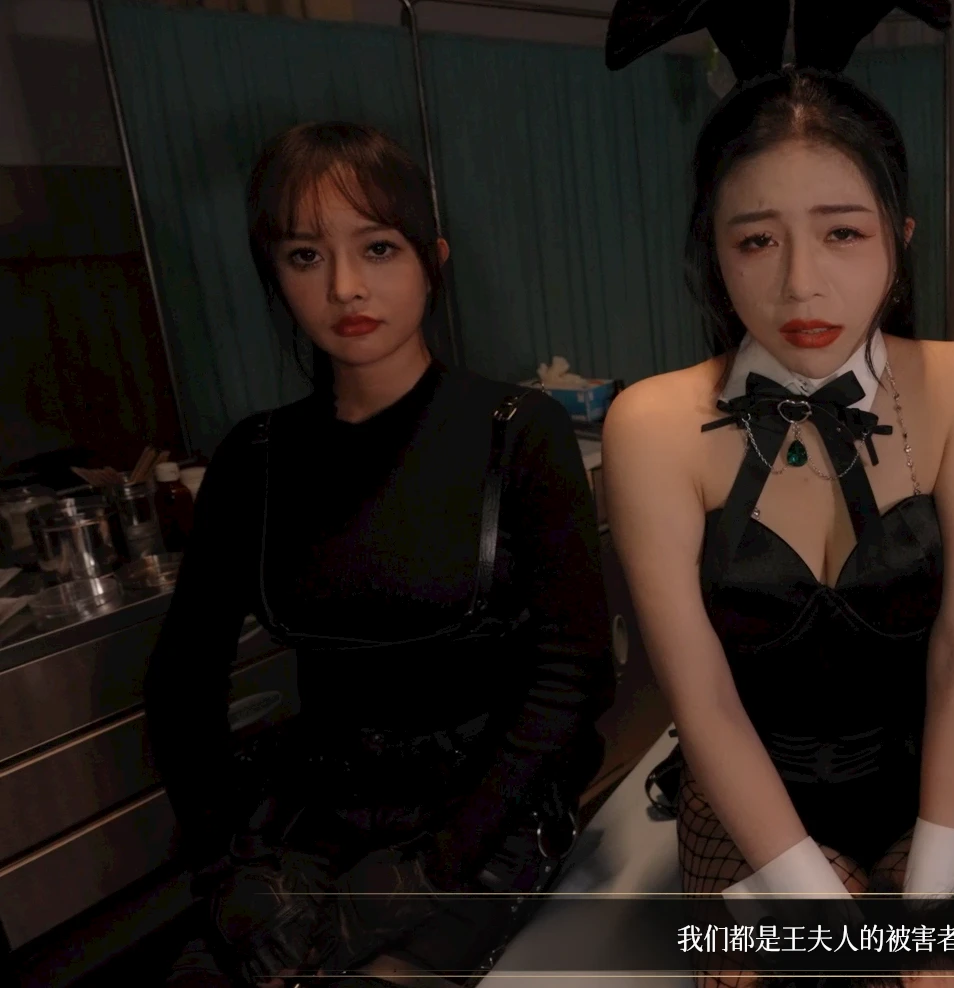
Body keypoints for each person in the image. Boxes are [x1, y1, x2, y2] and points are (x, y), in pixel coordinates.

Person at [601, 2, 954, 985]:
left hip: (934, 786)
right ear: (711, 249)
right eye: (756, 241)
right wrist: (847, 937)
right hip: (748, 807)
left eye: (844, 233)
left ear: (900, 239)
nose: (802, 286)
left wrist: (933, 911)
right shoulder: (651, 424)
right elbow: (704, 702)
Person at [145, 121, 616, 986]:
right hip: (316, 813)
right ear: (274, 277)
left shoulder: (517, 431)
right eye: (305, 256)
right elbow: (182, 683)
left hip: (485, 813)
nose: (345, 286)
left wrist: (437, 866)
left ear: (432, 260)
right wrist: (225, 864)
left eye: (378, 248)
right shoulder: (254, 459)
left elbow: (571, 670)